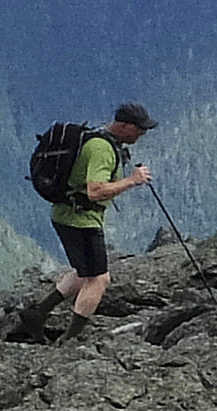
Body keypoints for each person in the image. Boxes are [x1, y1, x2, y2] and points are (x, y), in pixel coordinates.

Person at [43, 101, 159, 332]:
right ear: (124, 126)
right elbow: (94, 191)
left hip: (67, 215)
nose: (143, 133)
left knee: (83, 271)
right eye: (139, 128)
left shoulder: (101, 138)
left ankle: (37, 314)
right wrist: (132, 180)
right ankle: (71, 339)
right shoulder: (102, 149)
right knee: (98, 279)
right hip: (80, 221)